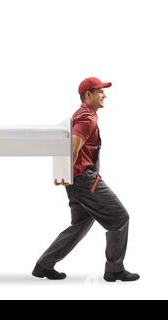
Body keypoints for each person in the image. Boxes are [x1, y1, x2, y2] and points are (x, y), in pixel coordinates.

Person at [32, 77, 139, 282]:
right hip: (84, 180)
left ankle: (44, 265)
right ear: (88, 95)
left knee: (80, 224)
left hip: (77, 180)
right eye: (100, 91)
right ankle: (115, 269)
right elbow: (73, 147)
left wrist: (65, 175)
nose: (104, 95)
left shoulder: (83, 115)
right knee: (119, 219)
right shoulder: (86, 118)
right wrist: (65, 173)